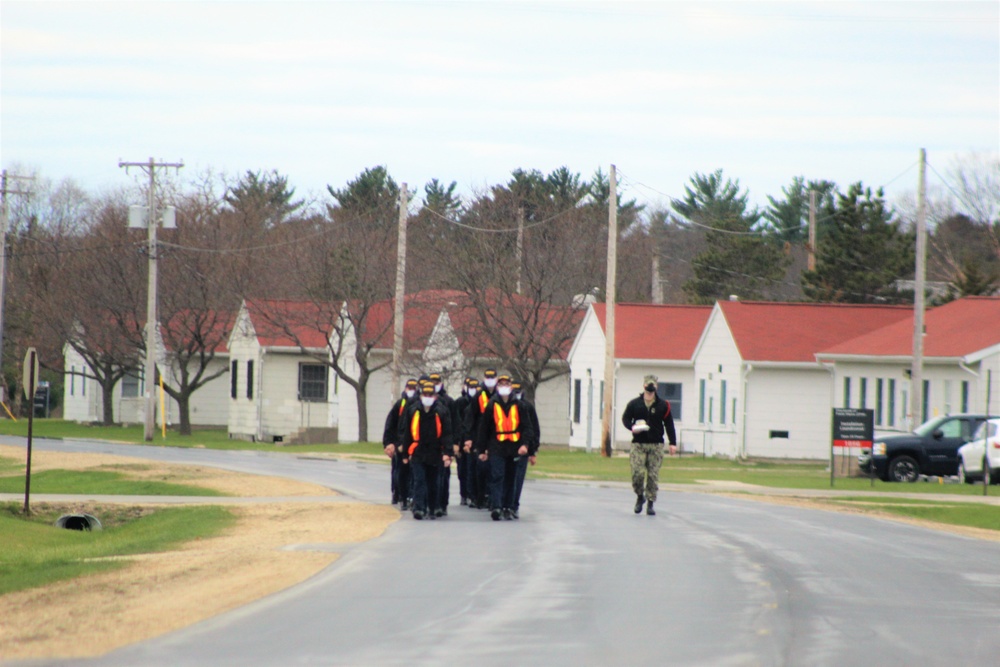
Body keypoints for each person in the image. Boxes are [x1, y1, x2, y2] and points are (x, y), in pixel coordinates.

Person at [476, 374, 534, 521]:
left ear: (511, 386)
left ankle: (509, 507)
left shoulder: (520, 405)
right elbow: (484, 429)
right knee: (497, 476)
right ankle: (497, 506)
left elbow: (527, 427)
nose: (504, 387)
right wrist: (482, 450)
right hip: (497, 445)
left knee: (511, 477)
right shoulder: (491, 405)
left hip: (514, 446)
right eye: (501, 384)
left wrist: (525, 445)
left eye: (506, 384)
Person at [621, 374, 677, 516]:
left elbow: (669, 424)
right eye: (648, 385)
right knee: (637, 473)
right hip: (639, 444)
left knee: (653, 475)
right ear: (644, 386)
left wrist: (673, 443)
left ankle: (651, 503)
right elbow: (625, 418)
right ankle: (640, 496)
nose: (650, 389)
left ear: (656, 387)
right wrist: (632, 427)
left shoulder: (663, 405)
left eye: (653, 386)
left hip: (656, 444)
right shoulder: (635, 404)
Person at [399, 383, 453, 520]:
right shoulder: (412, 411)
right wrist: (405, 453)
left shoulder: (441, 411)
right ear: (421, 396)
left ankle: (432, 507)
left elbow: (447, 434)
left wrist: (448, 453)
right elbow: (407, 435)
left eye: (430, 395)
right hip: (418, 451)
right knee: (419, 480)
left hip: (435, 452)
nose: (427, 398)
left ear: (435, 396)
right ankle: (419, 508)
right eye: (425, 395)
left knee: (434, 482)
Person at [505, 381, 539, 519]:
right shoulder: (505, 407)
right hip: (507, 448)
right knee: (506, 477)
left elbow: (533, 430)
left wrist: (532, 451)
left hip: (522, 449)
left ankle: (514, 506)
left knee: (517, 479)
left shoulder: (527, 407)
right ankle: (504, 504)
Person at [383, 378, 418, 509]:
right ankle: (398, 494)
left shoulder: (417, 406)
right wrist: (389, 443)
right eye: (410, 388)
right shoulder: (400, 404)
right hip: (400, 444)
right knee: (399, 471)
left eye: (414, 388)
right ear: (405, 389)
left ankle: (410, 496)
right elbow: (390, 425)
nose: (412, 391)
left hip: (413, 444)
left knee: (412, 473)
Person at [465, 368, 497, 509]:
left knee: (494, 469)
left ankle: (492, 497)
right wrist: (469, 438)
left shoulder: (499, 395)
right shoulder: (479, 396)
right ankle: (479, 497)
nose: (490, 380)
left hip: (496, 437)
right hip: (480, 437)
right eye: (487, 377)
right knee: (480, 469)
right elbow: (470, 418)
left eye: (492, 377)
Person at [429, 372, 459, 516]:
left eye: (437, 382)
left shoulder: (448, 402)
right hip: (427, 446)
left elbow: (454, 424)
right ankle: (430, 504)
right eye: (432, 381)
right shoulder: (420, 403)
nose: (434, 384)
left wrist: (454, 443)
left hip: (443, 445)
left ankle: (442, 504)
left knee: (443, 477)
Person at [452, 377, 478, 506]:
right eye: (470, 387)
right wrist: (458, 443)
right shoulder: (460, 402)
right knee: (462, 470)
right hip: (462, 441)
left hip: (474, 441)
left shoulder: (480, 402)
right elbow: (457, 424)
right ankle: (464, 494)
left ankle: (472, 494)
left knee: (472, 469)